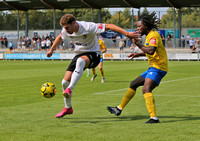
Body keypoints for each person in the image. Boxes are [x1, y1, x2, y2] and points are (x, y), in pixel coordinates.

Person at [46, 14, 138, 118]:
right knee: (64, 82)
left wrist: (127, 34)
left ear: (74, 23)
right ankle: (68, 108)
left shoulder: (88, 27)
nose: (65, 30)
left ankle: (70, 88)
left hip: (94, 54)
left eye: (67, 27)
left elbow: (109, 26)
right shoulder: (66, 30)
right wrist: (51, 50)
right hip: (79, 54)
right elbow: (59, 37)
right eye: (64, 28)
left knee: (80, 62)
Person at [107, 11, 168, 124]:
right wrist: (138, 54)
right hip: (154, 67)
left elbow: (151, 50)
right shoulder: (150, 35)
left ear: (146, 26)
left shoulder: (153, 35)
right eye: (137, 26)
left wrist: (138, 45)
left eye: (140, 26)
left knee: (146, 89)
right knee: (133, 84)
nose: (138, 28)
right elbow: (150, 51)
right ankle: (118, 109)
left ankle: (154, 118)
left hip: (158, 67)